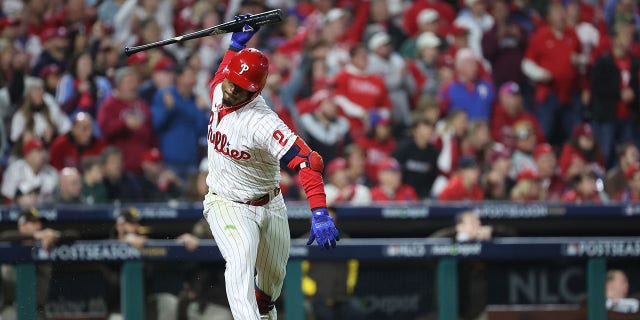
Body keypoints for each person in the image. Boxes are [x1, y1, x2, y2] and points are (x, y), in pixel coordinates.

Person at [201, 15, 339, 320]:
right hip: (227, 202)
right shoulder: (222, 86)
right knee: (239, 260)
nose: (230, 90)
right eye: (230, 82)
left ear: (255, 91)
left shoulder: (261, 122)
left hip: (270, 202)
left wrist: (319, 210)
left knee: (270, 288)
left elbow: (308, 161)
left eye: (240, 86)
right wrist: (237, 43)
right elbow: (222, 75)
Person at [0, 208, 79, 320]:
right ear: (22, 225)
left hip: (37, 309)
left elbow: (74, 234)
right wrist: (34, 236)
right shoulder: (11, 242)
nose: (38, 226)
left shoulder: (46, 243)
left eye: (39, 222)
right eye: (33, 222)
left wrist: (56, 235)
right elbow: (4, 236)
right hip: (12, 308)